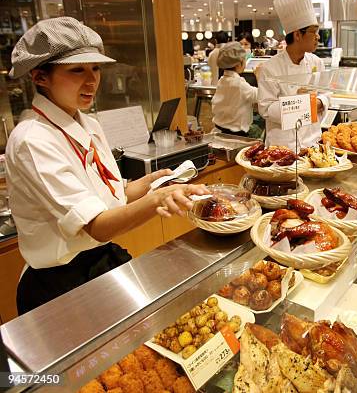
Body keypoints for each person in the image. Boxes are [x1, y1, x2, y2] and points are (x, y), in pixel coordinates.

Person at [5, 17, 208, 315]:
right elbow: (97, 226)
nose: (92, 81)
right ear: (39, 77)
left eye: (96, 68)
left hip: (103, 262)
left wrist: (155, 183)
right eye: (77, 70)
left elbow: (113, 193)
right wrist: (157, 200)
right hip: (60, 283)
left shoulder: (88, 123)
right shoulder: (32, 139)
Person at [257, 0, 329, 149]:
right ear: (297, 35)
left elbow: (327, 96)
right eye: (313, 31)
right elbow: (266, 109)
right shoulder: (271, 68)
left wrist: (315, 102)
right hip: (282, 148)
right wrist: (299, 102)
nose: (317, 37)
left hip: (312, 144)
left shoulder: (317, 62)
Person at [211, 42, 258, 137]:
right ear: (238, 64)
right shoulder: (239, 84)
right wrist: (259, 76)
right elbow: (258, 95)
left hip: (220, 130)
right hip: (237, 135)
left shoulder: (222, 80)